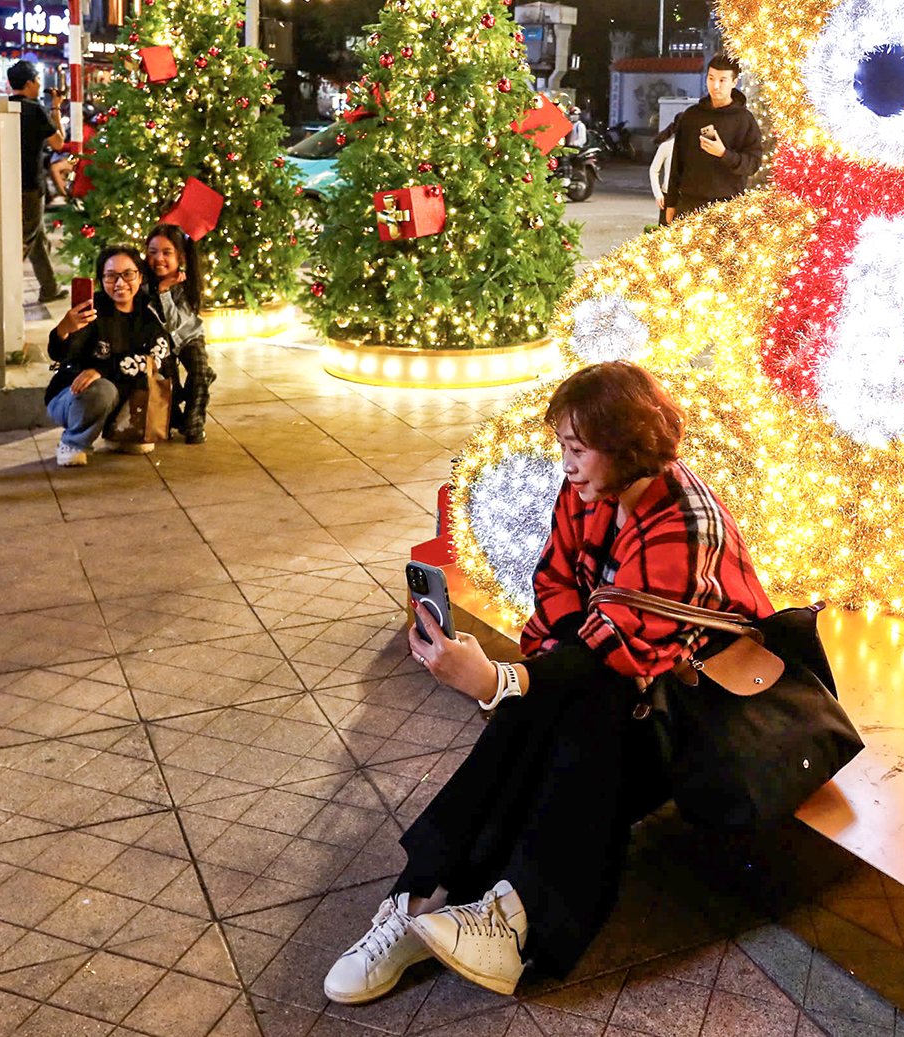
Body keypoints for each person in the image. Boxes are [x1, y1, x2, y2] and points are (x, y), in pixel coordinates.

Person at [324, 362, 773, 1004]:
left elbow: (627, 652)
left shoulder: (683, 519)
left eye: (576, 448)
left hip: (699, 711)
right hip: (623, 685)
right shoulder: (591, 488)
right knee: (562, 714)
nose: (566, 463)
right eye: (563, 446)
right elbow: (556, 583)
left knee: (583, 719)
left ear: (625, 444)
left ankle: (481, 912)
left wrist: (499, 680)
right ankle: (444, 905)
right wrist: (530, 675)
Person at [46, 248, 176, 467]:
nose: (120, 282)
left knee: (149, 373)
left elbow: (160, 353)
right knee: (102, 389)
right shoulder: (91, 310)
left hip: (116, 391)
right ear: (101, 279)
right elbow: (61, 355)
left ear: (140, 276)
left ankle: (120, 433)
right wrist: (64, 330)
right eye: (110, 275)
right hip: (73, 396)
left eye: (128, 274)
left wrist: (104, 369)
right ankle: (73, 443)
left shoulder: (148, 310)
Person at [663, 55, 764, 222]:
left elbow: (753, 164)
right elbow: (677, 163)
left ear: (734, 82)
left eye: (722, 80)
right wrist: (671, 203)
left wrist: (724, 154)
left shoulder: (745, 119)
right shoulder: (691, 116)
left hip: (727, 208)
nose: (715, 86)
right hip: (689, 205)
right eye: (711, 78)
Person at [144, 224, 215, 444]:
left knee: (200, 371)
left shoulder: (186, 283)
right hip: (160, 342)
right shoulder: (144, 284)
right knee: (168, 381)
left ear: (180, 257)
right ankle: (174, 417)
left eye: (167, 253)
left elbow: (175, 323)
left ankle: (193, 424)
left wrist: (165, 291)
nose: (159, 259)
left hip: (188, 336)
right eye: (153, 252)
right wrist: (160, 289)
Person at [8, 60, 65, 303]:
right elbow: (59, 143)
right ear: (30, 82)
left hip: (8, 182)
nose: (40, 84)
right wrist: (56, 108)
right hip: (30, 185)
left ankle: (49, 288)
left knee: (37, 237)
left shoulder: (4, 107)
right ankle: (2, 290)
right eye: (38, 80)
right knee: (27, 239)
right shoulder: (36, 110)